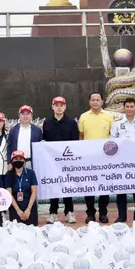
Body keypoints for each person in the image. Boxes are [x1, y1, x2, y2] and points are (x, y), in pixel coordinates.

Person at [111, 98, 135, 222]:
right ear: (123, 107)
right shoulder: (117, 123)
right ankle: (121, 215)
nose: (129, 109)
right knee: (121, 190)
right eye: (126, 106)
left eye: (131, 106)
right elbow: (112, 140)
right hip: (121, 162)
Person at [79, 91, 115, 223]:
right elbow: (81, 136)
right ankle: (90, 214)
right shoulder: (83, 117)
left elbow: (113, 135)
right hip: (88, 158)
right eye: (93, 100)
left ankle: (103, 213)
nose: (95, 102)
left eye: (97, 99)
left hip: (105, 158)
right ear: (89, 102)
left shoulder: (109, 116)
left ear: (102, 101)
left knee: (104, 187)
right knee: (89, 187)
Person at [42, 96, 79, 224]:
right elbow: (44, 141)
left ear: (65, 107)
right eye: (56, 105)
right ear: (52, 106)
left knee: (67, 186)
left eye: (61, 105)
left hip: (67, 162)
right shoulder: (46, 123)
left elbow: (75, 143)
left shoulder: (72, 123)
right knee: (53, 186)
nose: (59, 107)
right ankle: (53, 212)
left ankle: (69, 212)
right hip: (52, 162)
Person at [5, 150, 39, 225]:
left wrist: (28, 209)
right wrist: (18, 210)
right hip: (15, 208)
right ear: (12, 161)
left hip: (30, 208)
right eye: (16, 159)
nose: (18, 161)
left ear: (24, 160)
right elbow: (9, 194)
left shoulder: (31, 173)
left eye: (20, 159)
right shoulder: (8, 175)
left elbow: (34, 192)